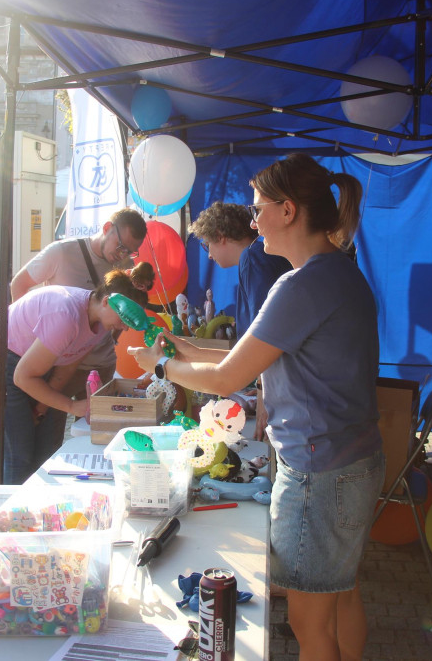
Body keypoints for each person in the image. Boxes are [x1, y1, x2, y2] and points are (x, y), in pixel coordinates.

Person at [131, 154, 383, 661]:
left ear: (288, 210)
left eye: (258, 208)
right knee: (341, 591)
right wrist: (181, 347)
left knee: (311, 626)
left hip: (319, 470)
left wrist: (161, 369)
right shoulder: (339, 271)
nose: (252, 220)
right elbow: (249, 350)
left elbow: (229, 377)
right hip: (352, 462)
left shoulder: (303, 283)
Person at [0, 270, 147, 484]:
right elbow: (23, 377)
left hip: (34, 368)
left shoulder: (101, 325)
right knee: (19, 454)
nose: (125, 327)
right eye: (124, 318)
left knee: (47, 450)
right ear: (106, 302)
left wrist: (40, 409)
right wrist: (72, 406)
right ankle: (15, 515)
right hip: (0, 361)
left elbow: (66, 366)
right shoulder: (66, 316)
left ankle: (40, 510)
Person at [9, 208, 147, 395]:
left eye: (130, 252)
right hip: (58, 364)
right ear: (107, 228)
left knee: (91, 423)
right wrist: (37, 346)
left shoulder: (127, 267)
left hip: (101, 363)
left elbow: (125, 313)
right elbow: (19, 284)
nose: (122, 255)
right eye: (120, 246)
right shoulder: (62, 252)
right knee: (49, 418)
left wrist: (112, 338)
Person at [191, 200, 293, 440]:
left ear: (221, 236)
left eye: (208, 245)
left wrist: (262, 398)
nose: (209, 255)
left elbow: (268, 336)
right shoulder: (259, 255)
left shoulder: (254, 257)